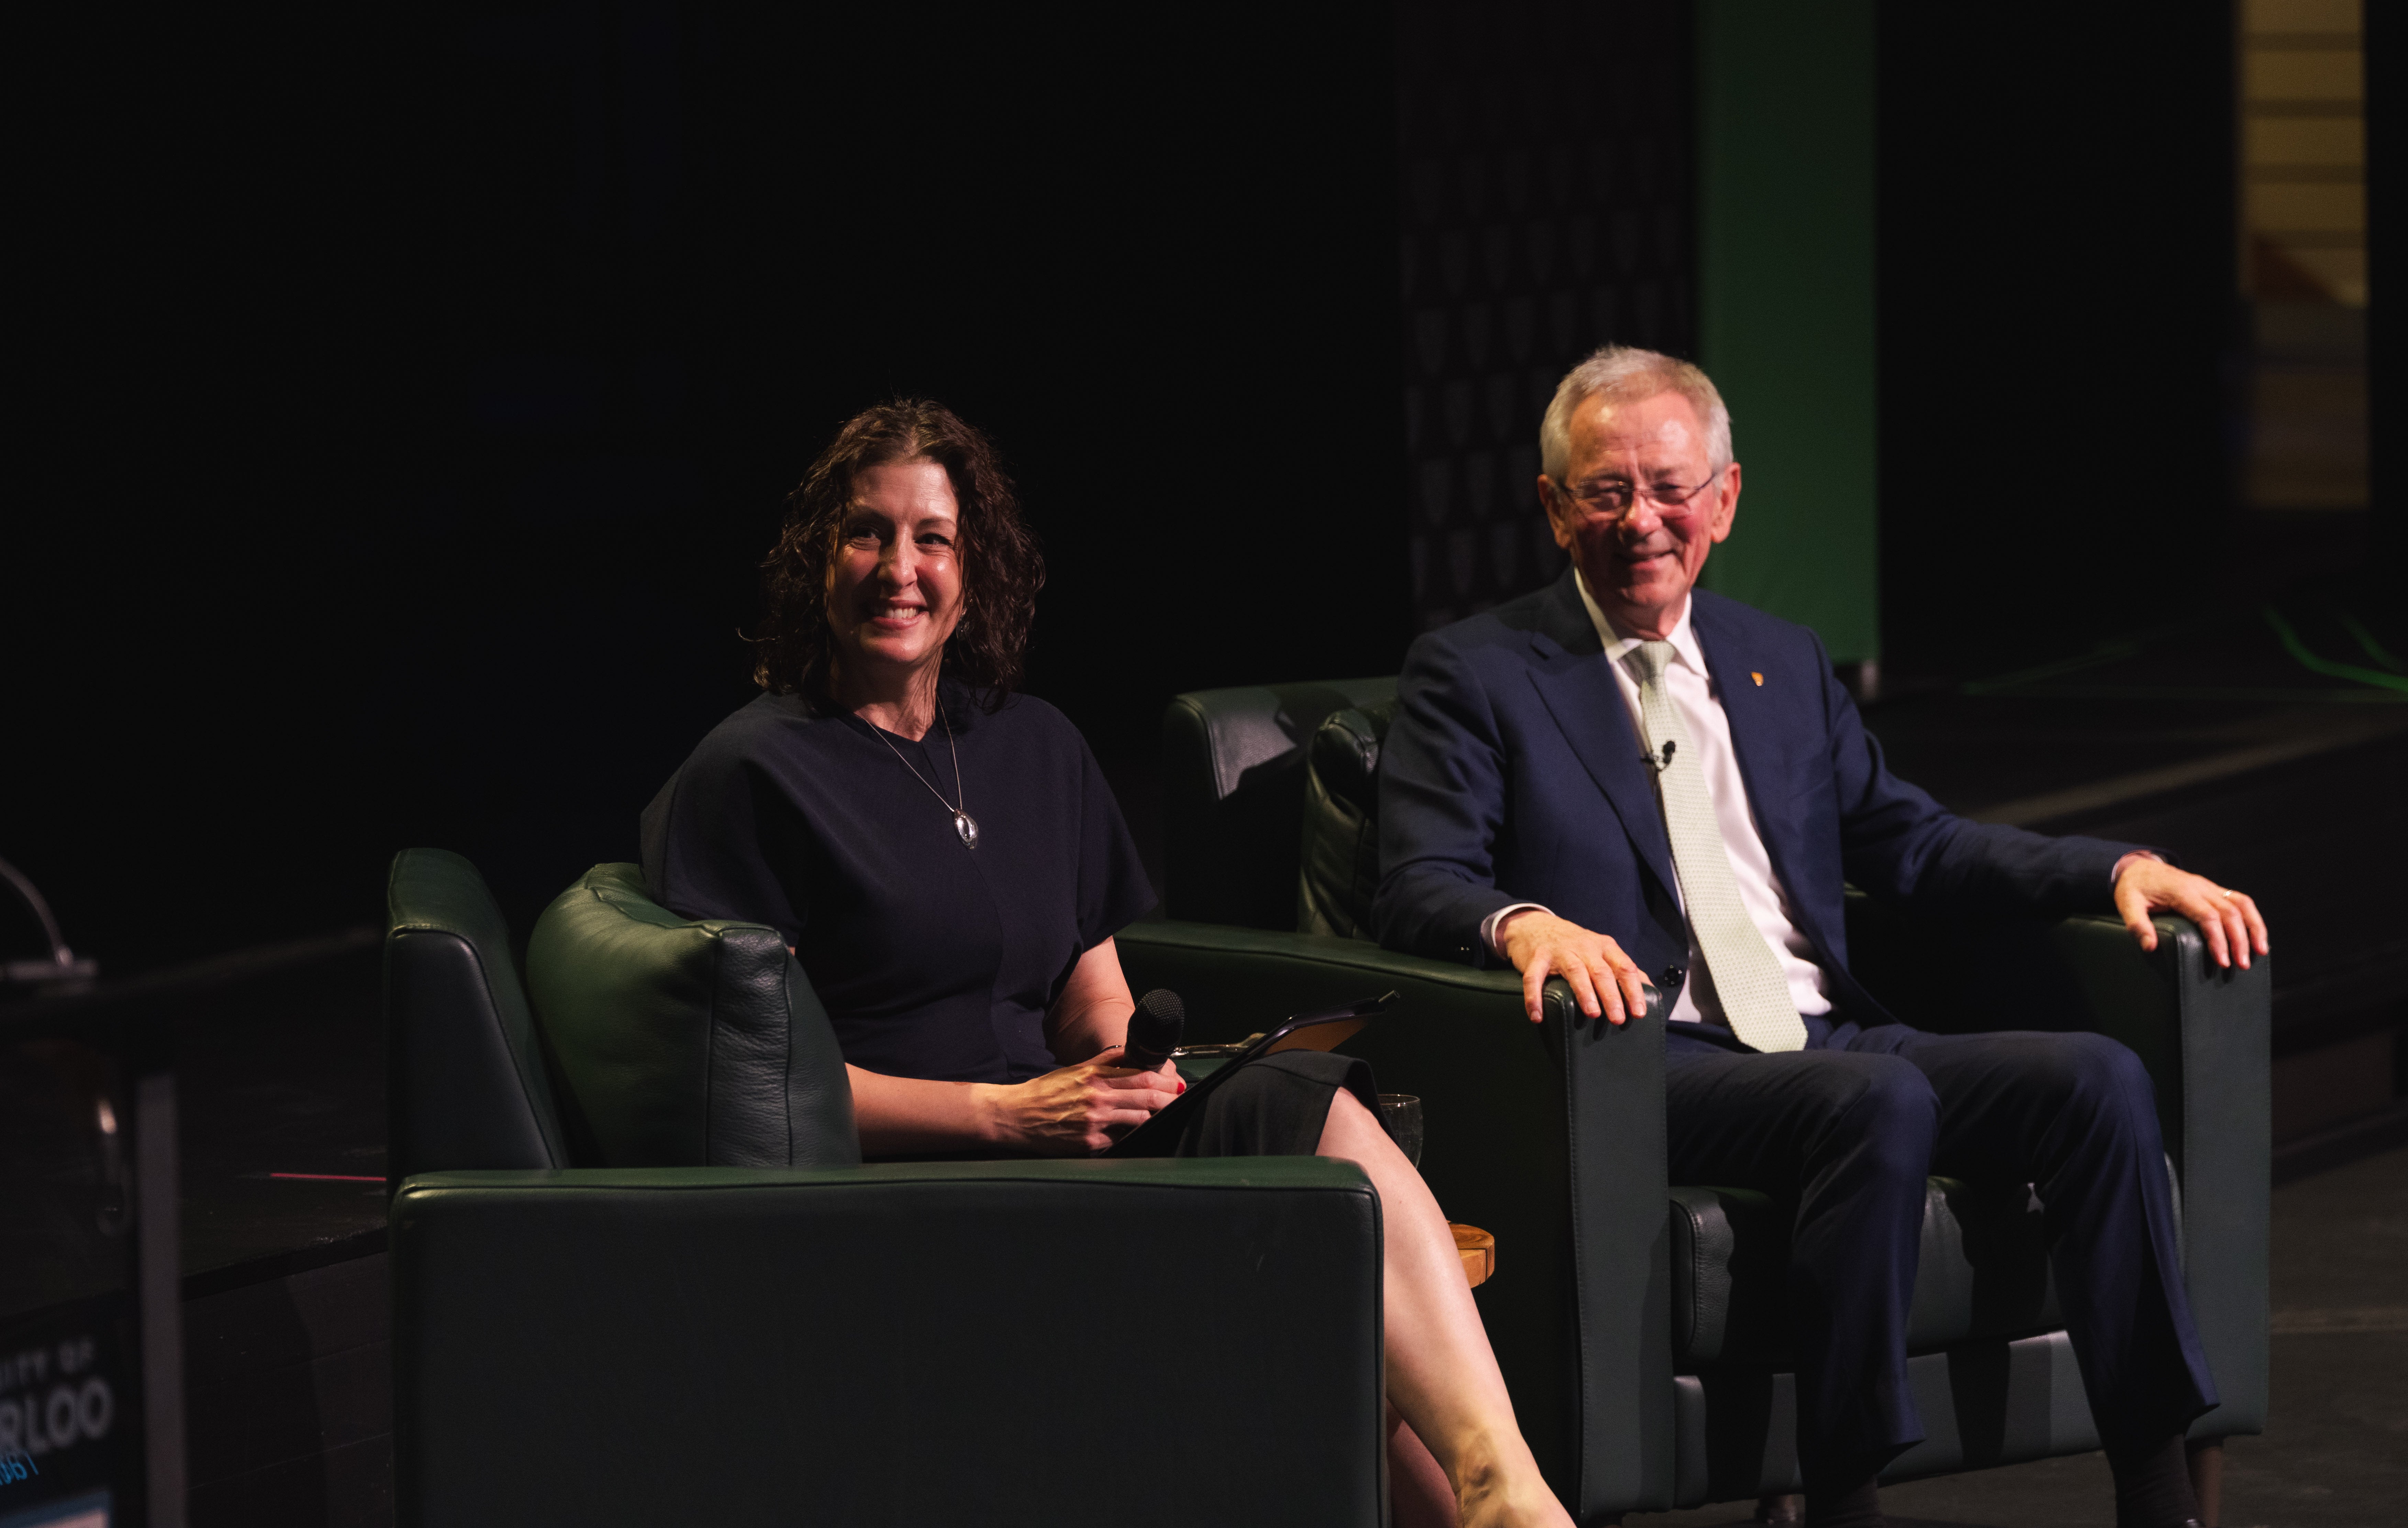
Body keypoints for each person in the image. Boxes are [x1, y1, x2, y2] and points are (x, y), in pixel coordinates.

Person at [1373, 346, 2266, 1528]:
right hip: (1649, 1059)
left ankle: (2160, 1493)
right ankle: (1841, 1497)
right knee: (1870, 1102)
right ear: (1554, 508)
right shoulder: (1478, 674)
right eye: (1606, 490)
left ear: (1724, 500)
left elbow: (1918, 846)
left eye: (1671, 488)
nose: (1642, 519)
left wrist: (2119, 868)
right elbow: (1420, 882)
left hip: (1823, 1031)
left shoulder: (1778, 661)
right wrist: (1525, 922)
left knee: (2095, 1080)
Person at [642, 398, 1572, 1528]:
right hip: (909, 1191)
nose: (900, 568)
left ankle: (1502, 1486)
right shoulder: (752, 775)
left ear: (973, 570)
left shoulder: (1033, 746)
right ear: (815, 562)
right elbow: (766, 1101)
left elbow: (1096, 1003)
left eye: (932, 538)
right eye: (865, 533)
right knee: (1304, 1266)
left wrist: (1133, 1077)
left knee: (1307, 1114)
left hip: (1067, 1144)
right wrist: (1005, 1116)